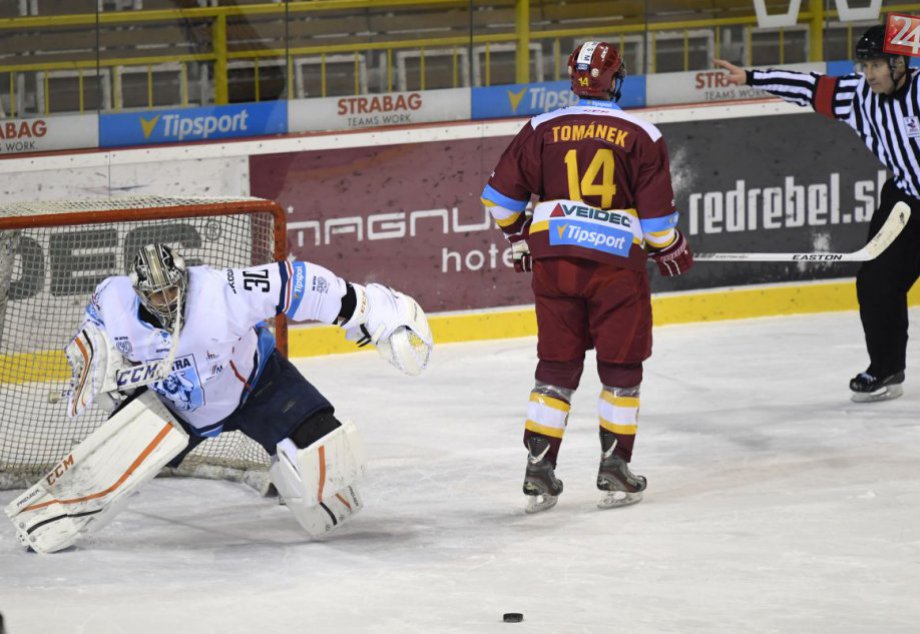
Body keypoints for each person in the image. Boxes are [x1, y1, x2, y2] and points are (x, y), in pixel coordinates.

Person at [12, 243, 432, 552]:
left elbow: (296, 283)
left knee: (331, 482)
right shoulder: (113, 297)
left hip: (257, 387)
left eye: (173, 290)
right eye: (156, 295)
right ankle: (53, 514)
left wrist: (371, 310)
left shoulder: (222, 292)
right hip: (173, 409)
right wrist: (93, 365)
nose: (167, 301)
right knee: (100, 465)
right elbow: (91, 331)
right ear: (139, 292)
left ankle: (289, 476)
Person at [481, 41, 693, 513]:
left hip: (555, 265)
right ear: (614, 80)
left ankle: (539, 466)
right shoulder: (642, 133)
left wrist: (521, 239)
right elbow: (658, 228)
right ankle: (614, 467)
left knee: (556, 368)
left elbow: (498, 200)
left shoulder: (540, 128)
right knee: (621, 368)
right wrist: (672, 250)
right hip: (616, 270)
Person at [714, 24, 920, 403]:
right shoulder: (857, 97)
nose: (869, 74)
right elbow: (810, 88)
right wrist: (751, 77)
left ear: (899, 63)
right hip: (907, 201)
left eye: (876, 65)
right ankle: (886, 368)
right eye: (865, 66)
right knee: (876, 283)